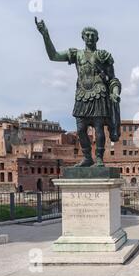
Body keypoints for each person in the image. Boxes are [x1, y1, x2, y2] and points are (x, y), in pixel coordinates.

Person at [35, 17, 121, 167]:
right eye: (87, 35)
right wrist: (45, 34)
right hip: (82, 95)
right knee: (81, 129)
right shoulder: (77, 54)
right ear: (82, 37)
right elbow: (53, 56)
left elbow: (113, 79)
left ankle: (99, 158)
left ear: (97, 38)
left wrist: (114, 92)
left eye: (92, 35)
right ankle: (87, 157)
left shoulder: (103, 55)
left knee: (99, 127)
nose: (89, 37)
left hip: (99, 93)